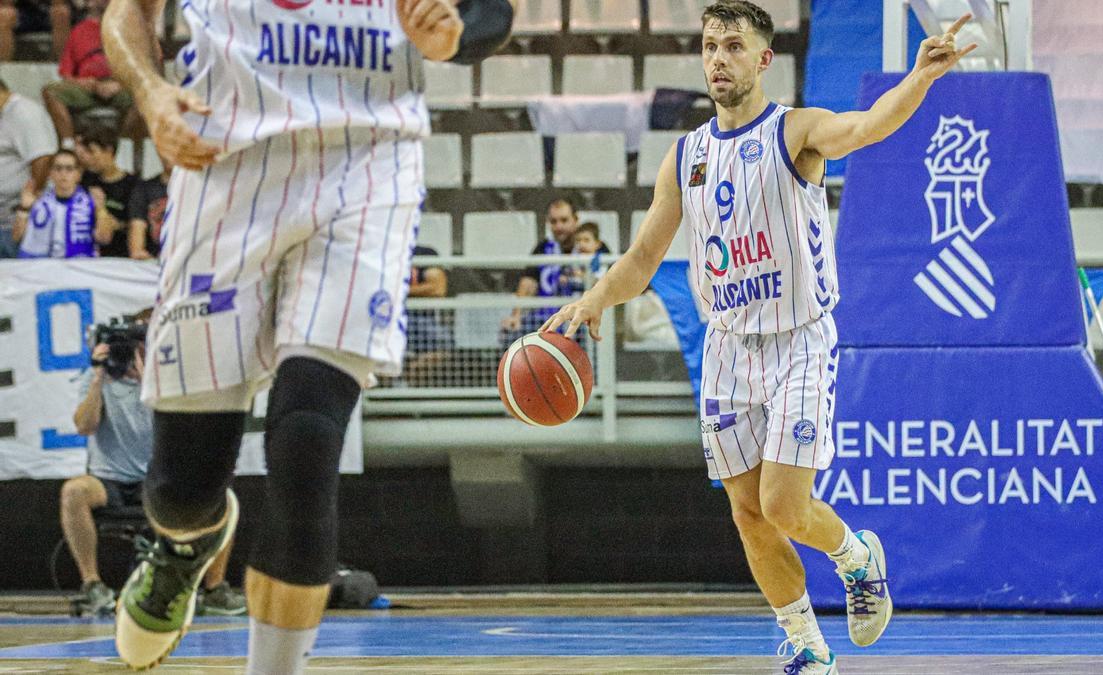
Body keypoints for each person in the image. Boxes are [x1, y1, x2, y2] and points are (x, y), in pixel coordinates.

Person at [541, 2, 977, 672]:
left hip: (799, 337)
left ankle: (857, 557)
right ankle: (807, 647)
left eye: (733, 46)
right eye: (710, 45)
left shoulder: (794, 131)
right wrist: (596, 297)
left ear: (762, 59)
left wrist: (919, 79)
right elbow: (641, 258)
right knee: (749, 514)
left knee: (784, 503)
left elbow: (865, 127)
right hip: (728, 348)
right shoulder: (684, 157)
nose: (718, 58)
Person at [101, 0, 515, 671]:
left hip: (369, 160)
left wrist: (458, 34)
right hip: (223, 158)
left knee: (308, 438)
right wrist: (151, 96)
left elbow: (495, 11)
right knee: (183, 488)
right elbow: (126, 14)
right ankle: (184, 543)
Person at [67, 309, 245, 617]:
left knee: (222, 496)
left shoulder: (171, 380)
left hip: (157, 476)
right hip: (109, 478)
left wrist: (152, 383)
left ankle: (215, 589)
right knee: (74, 492)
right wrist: (98, 377)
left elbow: (184, 429)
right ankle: (92, 584)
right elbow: (84, 425)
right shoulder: (98, 378)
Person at [502, 199, 610, 334]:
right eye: (554, 221)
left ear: (575, 220)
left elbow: (608, 283)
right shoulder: (542, 248)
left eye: (564, 220)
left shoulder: (595, 247)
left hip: (582, 317)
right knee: (512, 331)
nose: (559, 227)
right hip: (546, 316)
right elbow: (528, 283)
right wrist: (516, 315)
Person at [43, 0, 136, 144]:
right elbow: (66, 74)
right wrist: (87, 84)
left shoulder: (132, 31)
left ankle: (124, 145)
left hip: (121, 88)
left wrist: (120, 84)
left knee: (145, 96)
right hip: (87, 87)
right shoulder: (79, 31)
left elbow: (144, 73)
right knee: (50, 92)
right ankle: (69, 146)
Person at [14, 148, 110, 258]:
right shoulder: (38, 202)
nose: (63, 174)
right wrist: (24, 208)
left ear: (78, 174)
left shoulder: (90, 202)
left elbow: (104, 238)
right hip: (42, 268)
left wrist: (101, 209)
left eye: (69, 169)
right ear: (50, 173)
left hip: (80, 268)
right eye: (58, 168)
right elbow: (17, 237)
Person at [0, 77, 57, 258]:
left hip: (18, 217)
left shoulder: (25, 112)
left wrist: (27, 207)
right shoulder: (4, 115)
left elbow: (42, 159)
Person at [76, 125, 137, 257]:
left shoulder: (133, 185)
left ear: (108, 151)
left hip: (121, 255)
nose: (87, 157)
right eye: (85, 152)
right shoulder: (85, 180)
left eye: (91, 151)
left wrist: (118, 224)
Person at [404, 244, 453, 387]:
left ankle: (410, 375)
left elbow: (438, 289)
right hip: (388, 319)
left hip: (421, 318)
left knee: (446, 344)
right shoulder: (382, 250)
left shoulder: (424, 252)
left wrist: (398, 289)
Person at [126, 151, 169, 260]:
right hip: (153, 264)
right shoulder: (143, 189)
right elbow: (136, 248)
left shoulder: (198, 190)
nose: (170, 155)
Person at [0, 0, 72, 63]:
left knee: (61, 12)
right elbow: (6, 3)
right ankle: (3, 68)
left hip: (45, 9)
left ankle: (63, 68)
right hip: (19, 11)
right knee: (5, 14)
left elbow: (58, 2)